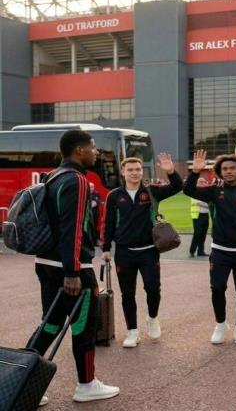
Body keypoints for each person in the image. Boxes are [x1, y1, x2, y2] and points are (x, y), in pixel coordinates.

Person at [30, 129, 119, 405]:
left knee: (50, 323)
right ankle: (87, 385)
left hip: (45, 262)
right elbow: (73, 229)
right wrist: (73, 272)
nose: (96, 152)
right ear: (79, 150)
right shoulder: (77, 180)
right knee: (84, 326)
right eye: (93, 147)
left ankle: (23, 382)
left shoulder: (53, 176)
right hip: (71, 267)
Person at [184, 151, 236, 345]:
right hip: (220, 250)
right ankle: (220, 325)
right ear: (220, 172)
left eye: (232, 168)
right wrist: (195, 172)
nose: (228, 171)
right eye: (224, 169)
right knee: (217, 288)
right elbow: (188, 190)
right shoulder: (214, 191)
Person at [101, 155, 182, 348]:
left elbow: (177, 187)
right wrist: (105, 248)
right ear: (123, 172)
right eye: (130, 170)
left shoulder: (152, 191)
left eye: (138, 169)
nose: (135, 173)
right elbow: (108, 223)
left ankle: (152, 318)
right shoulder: (114, 195)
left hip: (149, 251)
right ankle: (132, 332)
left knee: (153, 289)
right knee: (127, 294)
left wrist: (171, 171)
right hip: (124, 252)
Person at [189, 177, 210, 258]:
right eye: (200, 181)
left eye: (204, 181)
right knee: (197, 233)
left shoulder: (206, 191)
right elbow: (198, 203)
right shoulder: (194, 191)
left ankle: (200, 251)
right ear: (197, 183)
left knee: (203, 234)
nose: (202, 183)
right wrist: (207, 203)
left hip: (205, 215)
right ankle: (192, 251)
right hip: (197, 215)